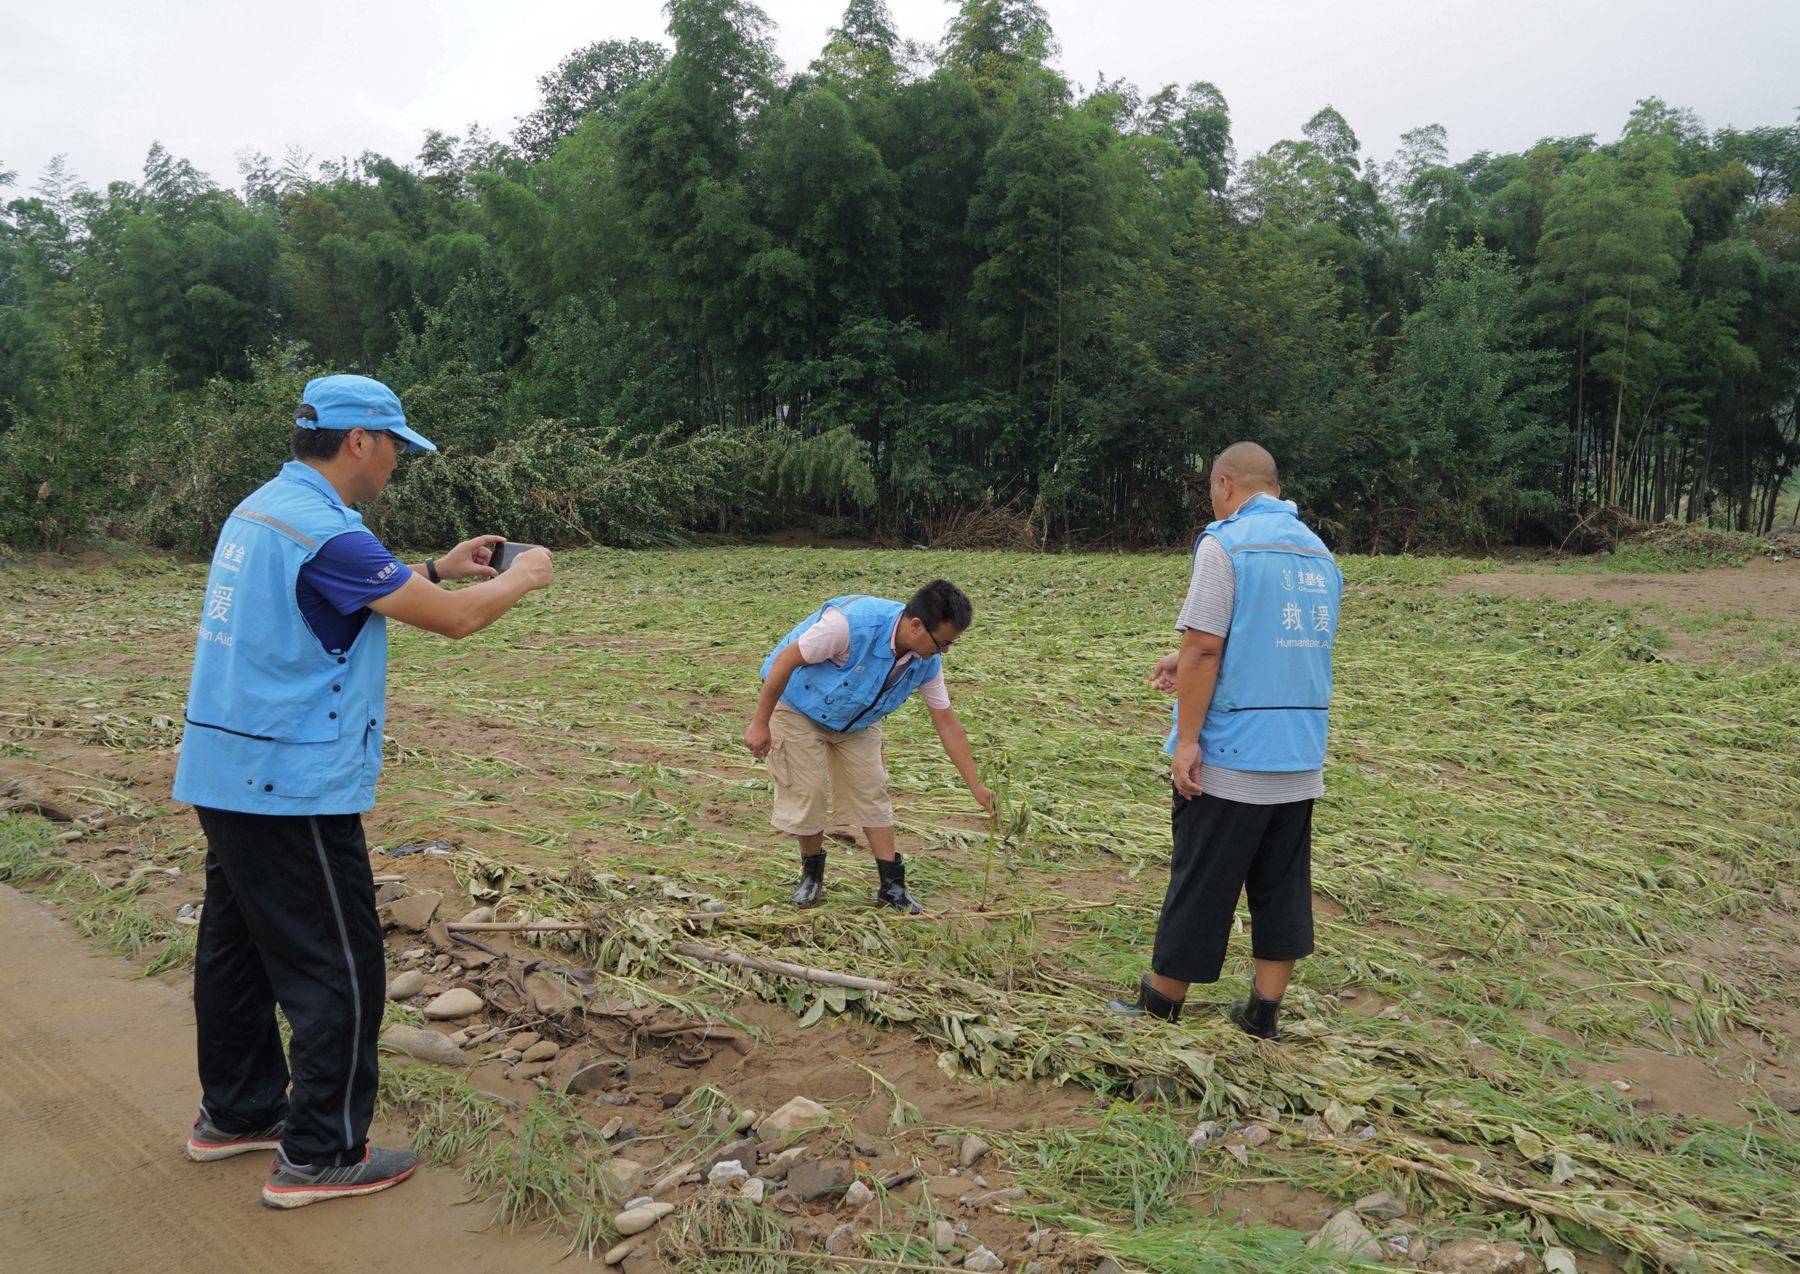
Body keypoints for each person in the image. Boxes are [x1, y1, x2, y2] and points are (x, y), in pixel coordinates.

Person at [171, 374, 554, 1207]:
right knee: (339, 963)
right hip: (292, 781)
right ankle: (322, 1152)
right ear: (358, 442)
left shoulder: (266, 507)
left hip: (225, 770)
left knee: (235, 953)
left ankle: (235, 1113)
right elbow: (453, 620)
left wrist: (434, 567)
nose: (395, 465)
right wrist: (524, 578)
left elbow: (340, 589)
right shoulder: (326, 531)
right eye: (394, 448)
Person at [1109, 442, 1343, 1039]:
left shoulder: (1226, 544)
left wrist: (1188, 741)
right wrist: (1180, 659)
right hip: (1299, 749)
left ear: (1225, 483)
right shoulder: (1318, 554)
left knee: (1203, 877)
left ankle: (1161, 1004)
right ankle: (1263, 1013)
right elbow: (1262, 644)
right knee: (1282, 883)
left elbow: (1207, 646)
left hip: (1234, 751)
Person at [743, 581, 994, 913]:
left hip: (854, 718)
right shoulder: (849, 625)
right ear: (916, 625)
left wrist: (975, 785)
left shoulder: (926, 661)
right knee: (809, 789)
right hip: (797, 704)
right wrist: (760, 722)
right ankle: (811, 877)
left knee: (872, 788)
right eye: (943, 642)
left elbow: (946, 721)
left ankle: (891, 887)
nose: (945, 651)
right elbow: (786, 660)